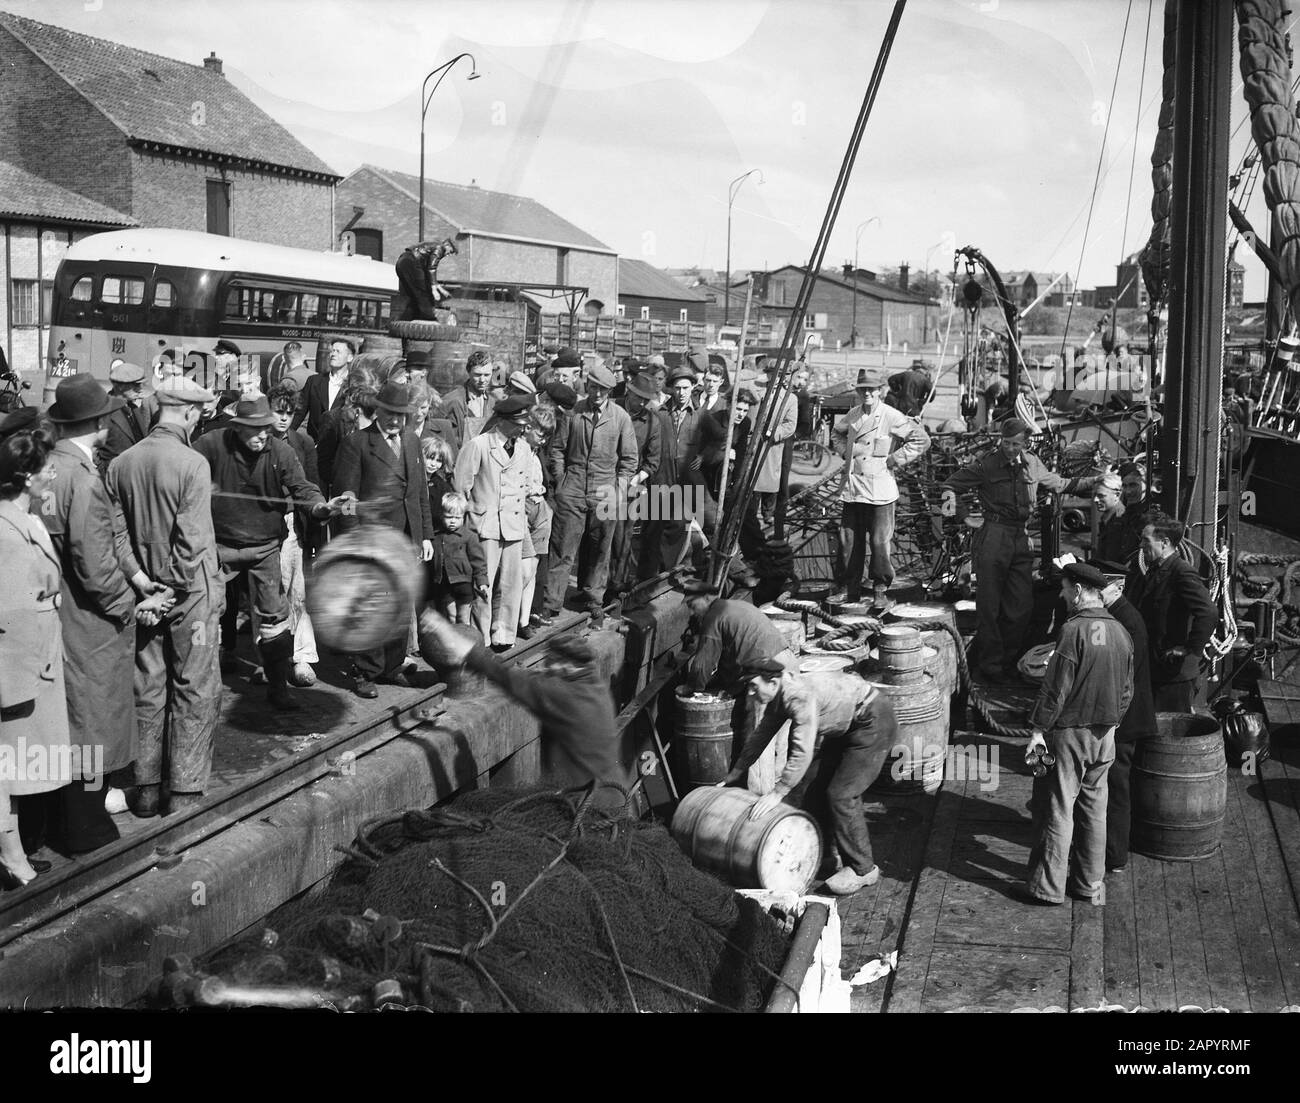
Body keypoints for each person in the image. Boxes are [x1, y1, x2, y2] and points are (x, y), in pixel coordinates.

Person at [34, 377, 175, 850]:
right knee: (94, 722)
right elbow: (94, 564)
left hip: (54, 615)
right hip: (90, 623)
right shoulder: (86, 478)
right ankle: (84, 825)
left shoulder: (47, 468)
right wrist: (132, 605)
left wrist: (136, 578)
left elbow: (109, 537)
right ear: (96, 422)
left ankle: (53, 820)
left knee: (64, 718)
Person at [104, 376, 224, 817]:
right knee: (195, 688)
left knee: (147, 687)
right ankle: (187, 794)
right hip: (189, 596)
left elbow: (116, 534)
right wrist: (172, 590)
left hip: (144, 595)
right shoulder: (193, 464)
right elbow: (191, 543)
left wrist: (142, 583)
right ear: (189, 414)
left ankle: (147, 789)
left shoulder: (120, 463)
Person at [198, 394, 346, 707]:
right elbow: (182, 476)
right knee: (203, 614)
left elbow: (302, 488)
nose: (263, 434)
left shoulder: (281, 451)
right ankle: (200, 685)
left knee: (275, 619)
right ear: (237, 427)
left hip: (264, 547)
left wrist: (321, 507)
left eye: (266, 427)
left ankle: (278, 687)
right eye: (255, 429)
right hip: (217, 547)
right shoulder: (210, 445)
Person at [417, 610, 633, 812]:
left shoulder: (563, 695)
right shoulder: (592, 684)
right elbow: (525, 678)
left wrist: (452, 639)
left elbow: (507, 677)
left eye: (551, 663)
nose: (544, 668)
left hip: (592, 807)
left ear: (568, 666)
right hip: (614, 795)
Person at [720, 659, 899, 896]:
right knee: (811, 785)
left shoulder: (798, 696)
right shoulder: (777, 695)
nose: (751, 693)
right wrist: (735, 773)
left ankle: (862, 868)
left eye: (754, 687)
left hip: (873, 721)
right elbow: (760, 736)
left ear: (772, 681)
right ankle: (824, 853)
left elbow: (802, 749)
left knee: (841, 794)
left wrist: (778, 792)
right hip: (845, 727)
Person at [941, 417, 1098, 682]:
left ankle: (1010, 661)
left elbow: (1058, 484)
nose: (1011, 449)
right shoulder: (987, 464)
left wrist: (1095, 481)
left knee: (1020, 606)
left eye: (1016, 444)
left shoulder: (1033, 463)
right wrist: (963, 518)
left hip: (1021, 538)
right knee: (989, 606)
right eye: (1007, 443)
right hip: (993, 536)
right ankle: (990, 667)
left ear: (1025, 443)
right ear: (1000, 440)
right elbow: (948, 486)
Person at [1018, 562, 1133, 906]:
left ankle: (1047, 889)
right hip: (1106, 736)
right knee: (1095, 810)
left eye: (1066, 588)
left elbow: (1056, 690)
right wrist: (1112, 723)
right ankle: (1089, 884)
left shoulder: (1073, 631)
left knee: (1058, 809)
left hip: (1070, 733)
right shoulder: (1120, 632)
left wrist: (1037, 729)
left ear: (1081, 591)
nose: (1062, 594)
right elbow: (1127, 691)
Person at [0, 429, 75, 885]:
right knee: (5, 766)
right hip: (20, 672)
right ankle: (11, 857)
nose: (53, 472)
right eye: (47, 466)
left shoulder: (21, 517)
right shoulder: (7, 533)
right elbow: (7, 616)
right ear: (27, 477)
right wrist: (13, 690)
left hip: (37, 663)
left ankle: (13, 851)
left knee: (12, 765)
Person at [333, 381, 436, 697]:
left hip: (405, 537)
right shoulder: (357, 443)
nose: (395, 420)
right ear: (377, 410)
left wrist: (425, 536)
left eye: (401, 414)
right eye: (390, 413)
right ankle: (364, 670)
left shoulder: (411, 441)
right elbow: (346, 499)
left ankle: (391, 666)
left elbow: (418, 493)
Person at [541, 362, 639, 617]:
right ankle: (551, 604)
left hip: (605, 489)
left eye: (603, 390)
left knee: (600, 550)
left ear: (609, 392)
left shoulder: (620, 418)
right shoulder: (574, 413)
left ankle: (593, 597)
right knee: (563, 548)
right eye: (594, 388)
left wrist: (618, 489)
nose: (597, 394)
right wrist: (562, 482)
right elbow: (558, 450)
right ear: (588, 385)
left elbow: (629, 460)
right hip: (572, 488)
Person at [832, 368, 931, 610]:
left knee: (879, 543)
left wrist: (894, 459)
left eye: (871, 389)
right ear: (858, 392)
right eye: (862, 389)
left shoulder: (891, 416)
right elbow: (836, 433)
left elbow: (921, 440)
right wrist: (846, 452)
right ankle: (849, 589)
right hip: (854, 488)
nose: (867, 393)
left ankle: (880, 590)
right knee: (849, 542)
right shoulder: (853, 414)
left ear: (880, 391)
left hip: (880, 490)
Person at [452, 396, 534, 649]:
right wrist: (469, 520)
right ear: (503, 421)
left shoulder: (523, 448)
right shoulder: (478, 445)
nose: (523, 429)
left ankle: (504, 634)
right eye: (518, 423)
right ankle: (481, 637)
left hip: (513, 525)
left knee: (511, 585)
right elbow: (461, 487)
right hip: (485, 526)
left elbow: (526, 487)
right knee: (483, 585)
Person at [1124, 512, 1218, 712]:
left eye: (1145, 540)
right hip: (1155, 668)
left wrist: (1190, 648)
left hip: (1173, 674)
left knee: (1169, 736)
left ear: (1164, 542)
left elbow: (1208, 612)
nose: (1141, 545)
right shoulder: (1154, 570)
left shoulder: (1181, 572)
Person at [268, 382, 324, 685]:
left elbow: (312, 484)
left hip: (296, 525)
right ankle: (269, 659)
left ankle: (302, 657)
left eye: (289, 413)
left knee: (299, 593)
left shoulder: (302, 442)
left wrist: (315, 524)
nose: (283, 418)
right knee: (271, 593)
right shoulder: (258, 442)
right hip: (267, 527)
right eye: (278, 412)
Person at [1099, 577, 1155, 873]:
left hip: (1125, 720)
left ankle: (1115, 855)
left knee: (1117, 787)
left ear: (1118, 587)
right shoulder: (1121, 615)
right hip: (1126, 716)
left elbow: (1121, 679)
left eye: (1102, 588)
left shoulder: (1125, 621)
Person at [639, 363, 705, 579]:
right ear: (671, 389)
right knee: (652, 529)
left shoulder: (699, 416)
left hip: (685, 482)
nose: (682, 393)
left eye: (686, 388)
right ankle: (646, 577)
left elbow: (719, 440)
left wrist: (704, 455)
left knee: (676, 528)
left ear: (693, 388)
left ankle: (666, 571)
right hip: (660, 480)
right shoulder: (659, 414)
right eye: (677, 388)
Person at [682, 582, 798, 692]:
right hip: (788, 661)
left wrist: (692, 687)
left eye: (692, 605)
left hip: (769, 673)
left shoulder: (713, 617)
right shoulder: (736, 605)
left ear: (706, 598)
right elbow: (731, 658)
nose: (692, 612)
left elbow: (704, 660)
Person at [608, 372, 663, 597]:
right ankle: (594, 586)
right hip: (605, 479)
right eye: (638, 397)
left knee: (623, 538)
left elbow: (653, 462)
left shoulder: (652, 422)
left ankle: (616, 584)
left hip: (632, 485)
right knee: (601, 537)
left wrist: (637, 477)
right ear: (628, 391)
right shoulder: (612, 410)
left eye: (645, 399)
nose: (641, 402)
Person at [517, 406, 556, 637]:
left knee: (532, 569)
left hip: (540, 508)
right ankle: (513, 619)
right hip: (522, 509)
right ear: (528, 427)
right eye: (541, 433)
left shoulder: (536, 451)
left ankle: (524, 621)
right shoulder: (518, 448)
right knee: (524, 569)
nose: (543, 440)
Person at [428, 492, 488, 626]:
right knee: (451, 616)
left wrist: (482, 581)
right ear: (442, 515)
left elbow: (478, 562)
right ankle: (454, 644)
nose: (453, 521)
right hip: (444, 585)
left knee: (463, 617)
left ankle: (467, 642)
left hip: (463, 584)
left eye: (457, 517)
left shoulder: (469, 537)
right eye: (449, 517)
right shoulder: (437, 537)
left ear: (463, 517)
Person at [753, 360, 799, 528]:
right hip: (753, 442)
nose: (777, 378)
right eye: (774, 374)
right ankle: (750, 512)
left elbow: (790, 425)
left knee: (770, 479)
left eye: (781, 375)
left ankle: (768, 513)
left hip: (772, 444)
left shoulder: (790, 399)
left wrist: (772, 433)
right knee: (752, 479)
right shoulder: (758, 392)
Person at [293, 336, 357, 440]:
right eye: (332, 351)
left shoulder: (354, 385)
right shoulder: (314, 381)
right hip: (315, 444)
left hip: (341, 446)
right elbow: (299, 413)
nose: (333, 354)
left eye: (338, 351)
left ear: (349, 358)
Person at [99, 361, 156, 473]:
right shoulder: (103, 411)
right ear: (119, 386)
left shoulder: (133, 408)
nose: (140, 389)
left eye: (141, 385)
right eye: (135, 385)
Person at [443, 351, 498, 450]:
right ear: (468, 372)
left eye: (487, 375)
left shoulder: (491, 402)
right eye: (477, 375)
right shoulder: (453, 401)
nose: (482, 380)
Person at [1091, 472, 1141, 571]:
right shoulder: (1108, 518)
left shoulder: (1119, 520)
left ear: (1117, 495)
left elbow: (1112, 561)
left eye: (1101, 496)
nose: (1095, 500)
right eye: (1094, 495)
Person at [421, 434, 456, 526]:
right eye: (430, 458)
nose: (433, 464)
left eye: (438, 461)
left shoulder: (443, 487)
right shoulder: (411, 479)